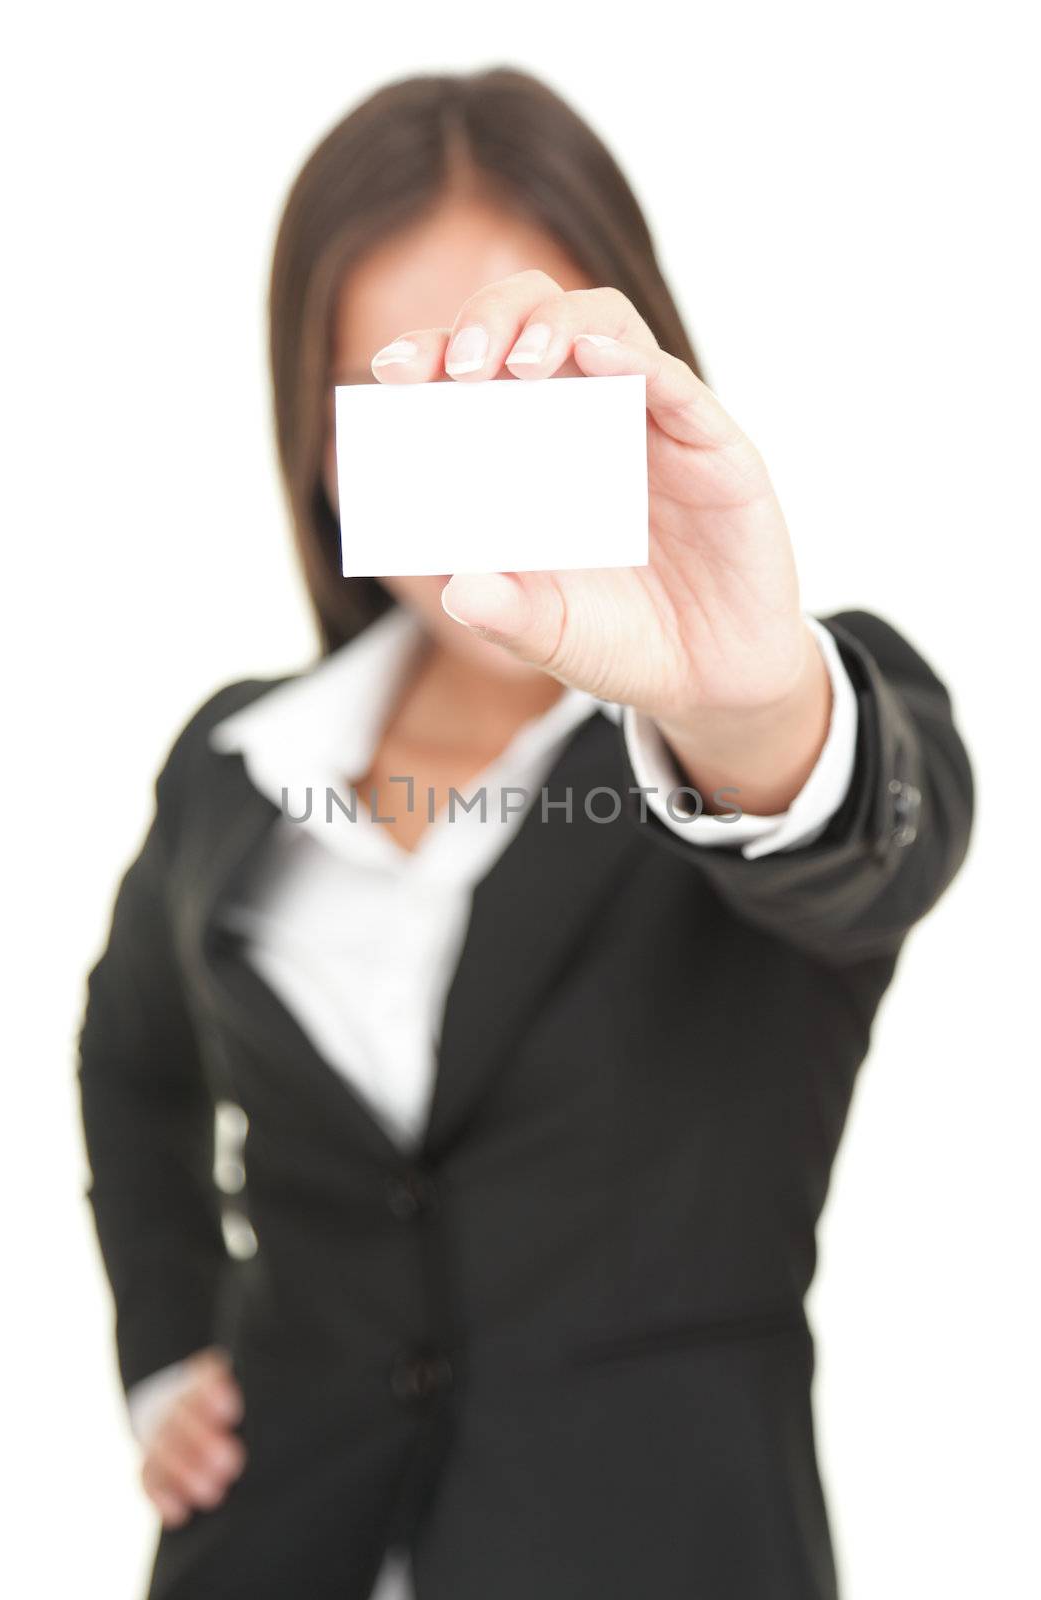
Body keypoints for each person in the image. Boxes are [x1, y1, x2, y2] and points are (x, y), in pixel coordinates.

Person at [77, 67, 974, 1600]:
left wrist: (749, 701)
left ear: (644, 380)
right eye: (404, 401)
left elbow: (869, 836)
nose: (475, 462)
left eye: (522, 391)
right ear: (318, 439)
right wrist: (167, 1355)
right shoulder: (241, 762)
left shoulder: (758, 718)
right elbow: (132, 1061)